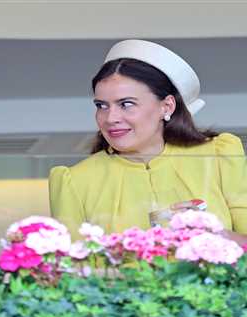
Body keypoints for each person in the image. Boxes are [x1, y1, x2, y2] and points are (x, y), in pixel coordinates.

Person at [49, 39, 247, 243]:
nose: (110, 118)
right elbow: (68, 269)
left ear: (167, 106)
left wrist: (218, 238)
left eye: (126, 104)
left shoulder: (218, 156)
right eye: (102, 105)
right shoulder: (74, 181)